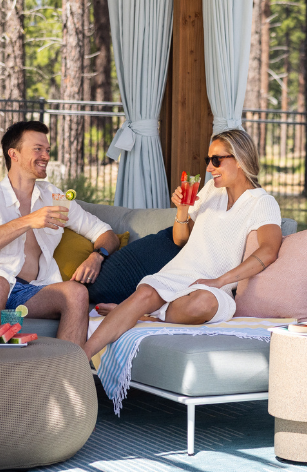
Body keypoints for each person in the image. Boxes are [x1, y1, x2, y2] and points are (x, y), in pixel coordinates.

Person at [83, 128, 282, 359]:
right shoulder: (210, 191)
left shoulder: (262, 203)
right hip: (178, 273)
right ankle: (78, 358)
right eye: (209, 160)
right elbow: (181, 239)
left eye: (216, 160)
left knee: (202, 304)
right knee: (144, 294)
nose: (209, 168)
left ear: (239, 160)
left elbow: (269, 251)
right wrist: (182, 210)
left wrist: (220, 280)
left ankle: (141, 314)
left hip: (215, 287)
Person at [0, 120, 120, 346]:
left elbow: (106, 233)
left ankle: (66, 376)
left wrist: (97, 256)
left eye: (47, 150)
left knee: (76, 293)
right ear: (13, 154)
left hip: (26, 290)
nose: (46, 156)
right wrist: (28, 221)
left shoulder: (54, 198)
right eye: (38, 149)